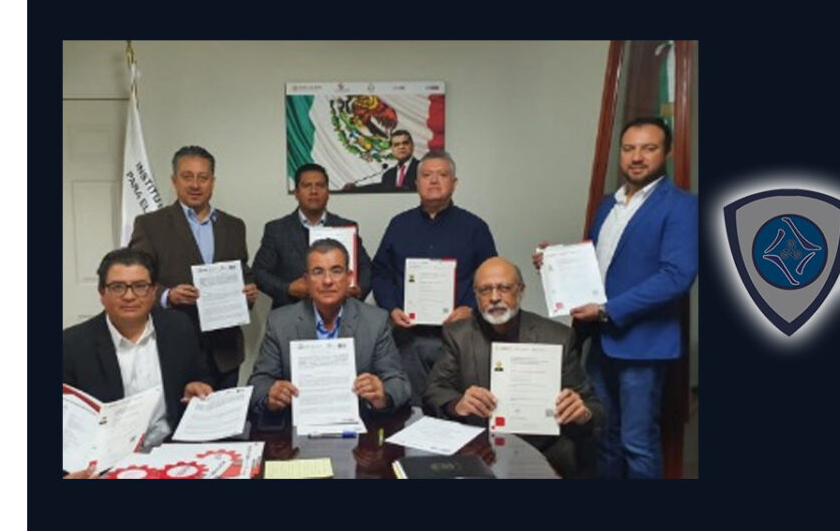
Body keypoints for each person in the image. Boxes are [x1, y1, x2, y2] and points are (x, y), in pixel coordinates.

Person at [534, 117, 698, 478]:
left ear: (667, 153)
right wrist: (555, 261)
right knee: (603, 437)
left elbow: (677, 277)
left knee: (637, 443)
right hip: (601, 343)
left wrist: (608, 310)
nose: (636, 157)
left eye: (648, 148)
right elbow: (598, 265)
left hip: (643, 346)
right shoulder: (609, 204)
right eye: (629, 149)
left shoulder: (682, 206)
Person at [424, 257, 603, 478]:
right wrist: (457, 404)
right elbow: (434, 390)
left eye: (504, 288)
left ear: (521, 291)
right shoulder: (458, 335)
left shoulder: (557, 337)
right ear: (476, 296)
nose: (494, 297)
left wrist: (581, 413)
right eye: (485, 290)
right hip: (479, 450)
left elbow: (594, 408)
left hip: (541, 450)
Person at [370, 151, 497, 406]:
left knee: (454, 406)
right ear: (416, 183)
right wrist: (392, 308)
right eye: (427, 175)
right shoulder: (399, 225)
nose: (434, 181)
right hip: (408, 337)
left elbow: (491, 279)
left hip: (459, 336)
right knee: (410, 407)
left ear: (455, 183)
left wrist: (470, 308)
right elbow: (380, 273)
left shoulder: (475, 227)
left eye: (442, 175)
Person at [62, 248, 216, 459]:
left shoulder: (179, 327)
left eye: (140, 286)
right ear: (101, 293)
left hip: (173, 448)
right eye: (117, 287)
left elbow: (201, 376)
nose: (129, 296)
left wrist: (196, 386)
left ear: (153, 291)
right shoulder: (72, 344)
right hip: (107, 459)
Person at [129, 145, 258, 389]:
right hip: (175, 348)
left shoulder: (234, 226)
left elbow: (244, 272)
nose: (195, 185)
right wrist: (168, 295)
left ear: (213, 182)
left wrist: (249, 291)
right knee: (178, 413)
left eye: (203, 177)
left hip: (225, 353)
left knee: (226, 412)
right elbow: (136, 281)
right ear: (174, 181)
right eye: (187, 177)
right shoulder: (150, 225)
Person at [248, 239, 410, 416]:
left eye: (336, 271)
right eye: (318, 272)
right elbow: (258, 383)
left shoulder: (375, 321)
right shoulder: (280, 322)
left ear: (349, 278)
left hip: (360, 422)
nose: (327, 281)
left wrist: (383, 396)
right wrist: (270, 395)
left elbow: (399, 383)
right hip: (298, 423)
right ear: (306, 280)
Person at [253, 163, 373, 309]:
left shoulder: (346, 227)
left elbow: (366, 268)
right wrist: (288, 288)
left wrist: (358, 289)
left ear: (328, 192)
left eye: (320, 185)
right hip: (291, 311)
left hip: (341, 312)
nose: (314, 191)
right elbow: (259, 273)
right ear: (296, 193)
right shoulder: (276, 230)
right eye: (307, 186)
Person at [341, 130, 419, 192]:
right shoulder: (388, 175)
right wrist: (356, 189)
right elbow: (379, 189)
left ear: (412, 145)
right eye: (396, 145)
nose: (401, 147)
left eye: (405, 143)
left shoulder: (422, 169)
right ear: (392, 149)